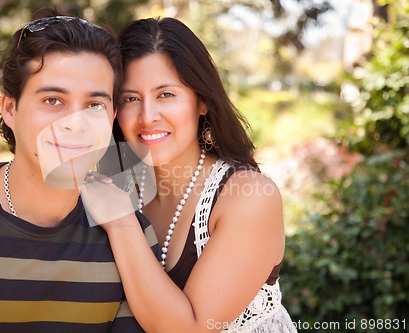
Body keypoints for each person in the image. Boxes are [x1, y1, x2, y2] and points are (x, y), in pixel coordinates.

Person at [0, 8, 158, 333]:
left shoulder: (129, 236)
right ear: (9, 108)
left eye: (94, 105)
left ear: (111, 116)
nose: (75, 125)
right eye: (53, 100)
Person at [83, 17, 297, 332]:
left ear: (202, 102)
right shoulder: (120, 180)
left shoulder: (249, 198)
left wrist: (120, 221)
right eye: (131, 98)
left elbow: (191, 328)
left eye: (166, 94)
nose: (148, 116)